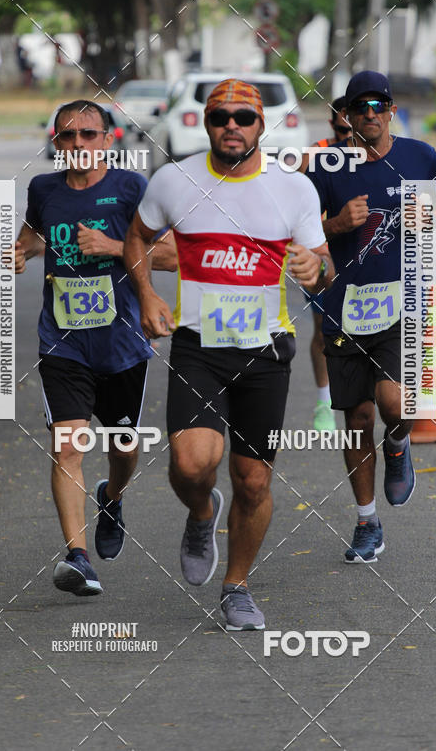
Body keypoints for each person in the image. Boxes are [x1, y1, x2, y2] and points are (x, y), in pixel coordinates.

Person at [124, 78, 333, 630]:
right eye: (221, 118)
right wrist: (146, 294)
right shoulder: (175, 179)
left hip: (266, 352)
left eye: (244, 117)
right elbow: (136, 237)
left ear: (263, 125)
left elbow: (322, 263)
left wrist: (316, 269)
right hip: (198, 348)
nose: (232, 127)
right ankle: (200, 511)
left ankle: (236, 586)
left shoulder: (294, 190)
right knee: (193, 465)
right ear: (207, 123)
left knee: (254, 480)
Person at [12, 100, 177, 596]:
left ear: (109, 140)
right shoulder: (44, 189)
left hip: (122, 343)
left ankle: (113, 495)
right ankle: (78, 558)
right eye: (68, 136)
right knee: (69, 443)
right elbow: (36, 235)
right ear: (56, 143)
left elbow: (170, 254)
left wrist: (112, 248)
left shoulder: (131, 188)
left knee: (122, 448)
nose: (78, 144)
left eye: (88, 134)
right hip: (62, 342)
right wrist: (19, 251)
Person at [306, 71, 436, 563]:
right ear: (346, 117)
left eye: (379, 104)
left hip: (404, 301)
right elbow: (302, 232)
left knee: (397, 406)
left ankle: (397, 445)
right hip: (345, 307)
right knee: (356, 419)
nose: (370, 113)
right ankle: (367, 521)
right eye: (360, 107)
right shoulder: (327, 167)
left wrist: (431, 218)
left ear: (391, 109)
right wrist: (336, 223)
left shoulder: (419, 156)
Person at [302, 97, 352, 432]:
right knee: (324, 330)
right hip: (324, 253)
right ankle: (324, 403)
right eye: (342, 124)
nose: (349, 131)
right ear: (332, 123)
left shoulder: (379, 155)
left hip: (364, 255)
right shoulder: (314, 156)